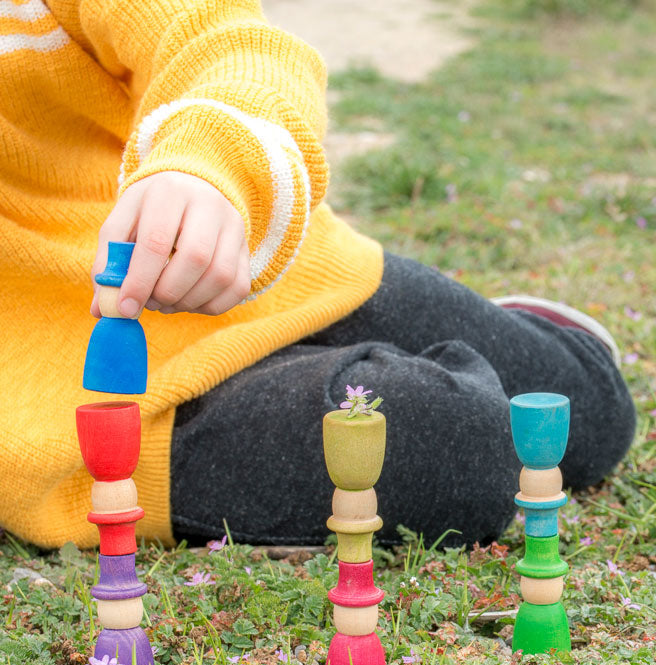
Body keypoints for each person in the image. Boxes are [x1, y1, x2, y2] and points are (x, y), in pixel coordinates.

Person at [0, 0, 635, 551]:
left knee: (591, 412)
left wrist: (206, 164)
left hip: (280, 273)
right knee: (465, 447)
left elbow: (230, 44)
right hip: (77, 408)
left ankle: (478, 331)